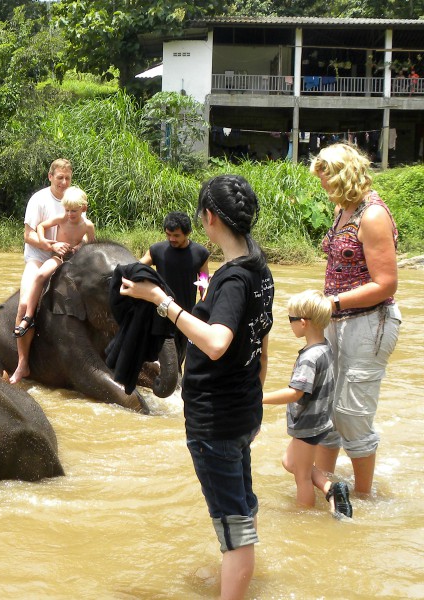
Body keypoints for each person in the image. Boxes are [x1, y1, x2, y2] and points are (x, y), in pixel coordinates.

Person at [119, 175, 273, 600]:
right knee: (244, 508)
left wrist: (162, 304)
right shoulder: (260, 269)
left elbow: (218, 342)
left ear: (208, 218)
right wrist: (255, 405)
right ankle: (244, 584)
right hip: (242, 412)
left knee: (233, 527)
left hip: (217, 421)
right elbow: (261, 344)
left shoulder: (233, 280)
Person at [310, 143, 401, 497]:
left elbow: (386, 284)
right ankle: (325, 486)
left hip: (370, 323)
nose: (323, 186)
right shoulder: (343, 209)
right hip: (338, 318)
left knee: (350, 413)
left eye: (327, 178)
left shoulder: (372, 215)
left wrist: (331, 302)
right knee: (326, 404)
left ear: (345, 173)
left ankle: (365, 497)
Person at [262, 290, 352, 518]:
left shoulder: (309, 358)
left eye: (290, 320)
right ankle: (332, 489)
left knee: (301, 477)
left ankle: (304, 517)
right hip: (320, 420)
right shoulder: (325, 347)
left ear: (303, 323)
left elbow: (295, 393)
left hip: (308, 424)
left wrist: (258, 398)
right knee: (289, 461)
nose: (290, 325)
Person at [9, 158, 73, 384]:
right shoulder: (39, 200)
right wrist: (51, 246)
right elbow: (28, 235)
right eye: (60, 178)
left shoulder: (74, 198)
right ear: (50, 177)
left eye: (68, 178)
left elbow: (83, 228)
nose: (64, 183)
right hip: (39, 257)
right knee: (25, 304)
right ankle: (23, 363)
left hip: (66, 258)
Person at [14, 186, 95, 338]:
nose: (70, 214)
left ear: (83, 208)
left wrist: (80, 246)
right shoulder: (61, 218)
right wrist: (44, 240)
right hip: (59, 258)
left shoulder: (88, 225)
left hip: (78, 261)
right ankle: (28, 316)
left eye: (74, 211)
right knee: (39, 275)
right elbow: (41, 226)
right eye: (67, 210)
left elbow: (91, 244)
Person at [139, 211, 209, 370]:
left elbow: (204, 281)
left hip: (185, 316)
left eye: (176, 235)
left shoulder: (200, 253)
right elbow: (139, 268)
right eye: (168, 234)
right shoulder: (157, 250)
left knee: (178, 360)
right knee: (161, 359)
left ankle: (172, 389)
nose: (172, 239)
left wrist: (205, 296)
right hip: (160, 313)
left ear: (187, 233)